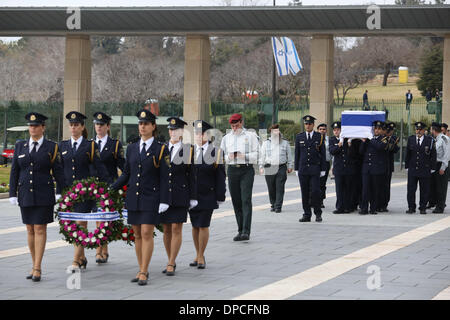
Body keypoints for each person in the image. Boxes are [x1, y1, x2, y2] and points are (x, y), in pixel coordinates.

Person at [111, 109, 169, 286]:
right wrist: (111, 188)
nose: (142, 126)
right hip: (134, 197)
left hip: (151, 197)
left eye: (146, 124)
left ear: (153, 126)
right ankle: (141, 267)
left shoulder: (160, 149)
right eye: (140, 124)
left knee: (146, 232)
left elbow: (165, 178)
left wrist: (164, 200)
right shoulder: (133, 148)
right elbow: (127, 173)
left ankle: (144, 270)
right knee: (136, 233)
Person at [9, 112, 65, 282]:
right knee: (30, 229)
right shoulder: (20, 146)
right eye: (30, 126)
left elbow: (58, 171)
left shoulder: (51, 147)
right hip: (25, 192)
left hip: (43, 193)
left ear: (43, 128)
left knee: (40, 228)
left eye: (36, 126)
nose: (32, 128)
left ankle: (37, 267)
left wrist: (59, 191)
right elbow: (15, 171)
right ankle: (34, 264)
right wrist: (12, 193)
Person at [59, 111, 110, 272]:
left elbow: (99, 168)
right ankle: (81, 256)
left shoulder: (90, 146)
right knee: (73, 226)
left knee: (80, 225)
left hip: (84, 193)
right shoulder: (63, 146)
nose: (73, 128)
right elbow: (59, 170)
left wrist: (107, 188)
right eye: (71, 125)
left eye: (76, 125)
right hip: (69, 193)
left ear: (82, 127)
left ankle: (75, 260)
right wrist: (59, 191)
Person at [160, 117, 196, 276]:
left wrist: (193, 196)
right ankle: (170, 258)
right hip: (164, 195)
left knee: (176, 227)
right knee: (166, 229)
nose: (172, 132)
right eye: (170, 129)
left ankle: (171, 262)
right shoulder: (161, 148)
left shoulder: (188, 150)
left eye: (176, 130)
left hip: (181, 193)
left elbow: (192, 175)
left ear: (181, 132)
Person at [188, 120, 226, 269]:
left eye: (202, 133)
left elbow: (220, 175)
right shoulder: (188, 151)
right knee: (194, 226)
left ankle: (201, 256)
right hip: (192, 195)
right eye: (196, 133)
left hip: (207, 194)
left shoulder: (215, 152)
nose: (199, 136)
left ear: (207, 135)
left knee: (203, 225)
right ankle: (197, 254)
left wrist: (220, 195)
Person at [220, 113, 259, 242]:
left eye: (237, 125)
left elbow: (257, 155)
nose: (235, 128)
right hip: (232, 170)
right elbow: (221, 155)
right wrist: (228, 157)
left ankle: (246, 231)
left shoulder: (251, 136)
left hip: (246, 169)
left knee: (245, 200)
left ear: (241, 123)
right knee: (236, 201)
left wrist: (244, 156)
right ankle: (240, 229)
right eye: (232, 126)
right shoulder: (226, 138)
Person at [92, 111, 125, 264]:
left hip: (109, 187)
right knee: (99, 220)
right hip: (92, 187)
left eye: (102, 125)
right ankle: (103, 249)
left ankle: (100, 250)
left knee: (103, 220)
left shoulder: (115, 144)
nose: (98, 127)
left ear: (108, 127)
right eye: (97, 124)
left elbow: (123, 166)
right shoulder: (89, 144)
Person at [295, 115, 326, 222]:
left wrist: (323, 169)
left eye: (309, 124)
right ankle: (306, 214)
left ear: (313, 125)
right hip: (303, 169)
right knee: (304, 192)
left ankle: (318, 213)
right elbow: (297, 154)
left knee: (315, 192)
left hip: (314, 168)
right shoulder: (299, 137)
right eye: (306, 124)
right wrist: (296, 168)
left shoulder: (319, 136)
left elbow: (322, 154)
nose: (307, 126)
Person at [259, 124, 293, 213]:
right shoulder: (266, 143)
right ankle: (273, 204)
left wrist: (290, 166)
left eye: (277, 131)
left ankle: (278, 206)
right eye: (273, 131)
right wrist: (261, 166)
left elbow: (289, 156)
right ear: (271, 133)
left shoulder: (285, 142)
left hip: (281, 167)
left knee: (280, 187)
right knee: (271, 187)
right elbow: (262, 156)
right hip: (269, 166)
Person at [405, 122, 437, 214]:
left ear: (424, 131)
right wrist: (407, 166)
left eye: (420, 129)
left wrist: (432, 167)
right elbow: (408, 154)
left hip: (424, 169)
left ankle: (422, 207)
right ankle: (411, 207)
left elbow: (433, 155)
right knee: (411, 189)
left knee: (424, 190)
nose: (418, 131)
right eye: (417, 129)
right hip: (413, 168)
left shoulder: (429, 140)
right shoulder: (411, 139)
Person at [359, 121, 389, 215]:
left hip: (376, 168)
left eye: (379, 129)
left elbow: (380, 147)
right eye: (375, 128)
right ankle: (364, 208)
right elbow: (361, 151)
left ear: (381, 130)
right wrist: (364, 142)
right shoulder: (368, 139)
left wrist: (371, 139)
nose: (376, 130)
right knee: (365, 189)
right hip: (367, 167)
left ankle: (373, 208)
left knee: (375, 189)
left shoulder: (384, 139)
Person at [329, 121, 357, 214]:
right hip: (339, 168)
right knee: (339, 189)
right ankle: (339, 207)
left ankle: (348, 207)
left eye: (338, 130)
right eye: (334, 130)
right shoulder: (332, 140)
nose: (336, 132)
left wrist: (349, 145)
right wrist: (339, 145)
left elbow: (353, 154)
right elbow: (332, 151)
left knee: (348, 188)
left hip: (348, 168)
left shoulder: (347, 139)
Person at [429, 122, 450, 213]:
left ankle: (440, 206)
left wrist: (443, 167)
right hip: (435, 165)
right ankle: (436, 203)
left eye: (431, 129)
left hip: (441, 164)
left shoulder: (444, 139)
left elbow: (447, 154)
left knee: (441, 187)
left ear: (434, 130)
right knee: (435, 186)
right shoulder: (435, 139)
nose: (430, 131)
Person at [382, 122, 400, 212]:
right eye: (388, 131)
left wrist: (393, 143)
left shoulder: (394, 138)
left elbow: (395, 150)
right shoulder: (382, 138)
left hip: (388, 165)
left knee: (386, 186)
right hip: (380, 164)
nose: (390, 133)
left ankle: (385, 203)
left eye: (391, 131)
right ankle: (378, 203)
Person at [317, 123, 331, 208]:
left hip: (325, 163)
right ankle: (312, 200)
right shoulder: (315, 138)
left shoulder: (329, 140)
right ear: (318, 130)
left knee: (322, 183)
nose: (322, 131)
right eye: (320, 129)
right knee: (314, 183)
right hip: (316, 163)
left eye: (324, 129)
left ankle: (321, 201)